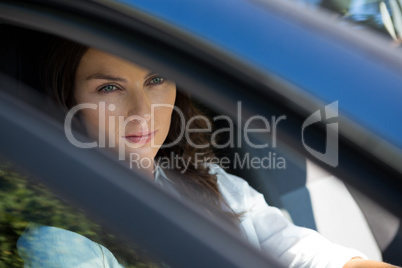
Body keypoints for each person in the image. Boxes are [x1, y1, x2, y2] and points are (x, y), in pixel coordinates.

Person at [17, 38, 399, 268]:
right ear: (69, 99)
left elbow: (301, 252)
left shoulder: (208, 180)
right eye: (108, 89)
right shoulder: (59, 239)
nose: (142, 110)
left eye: (155, 80)